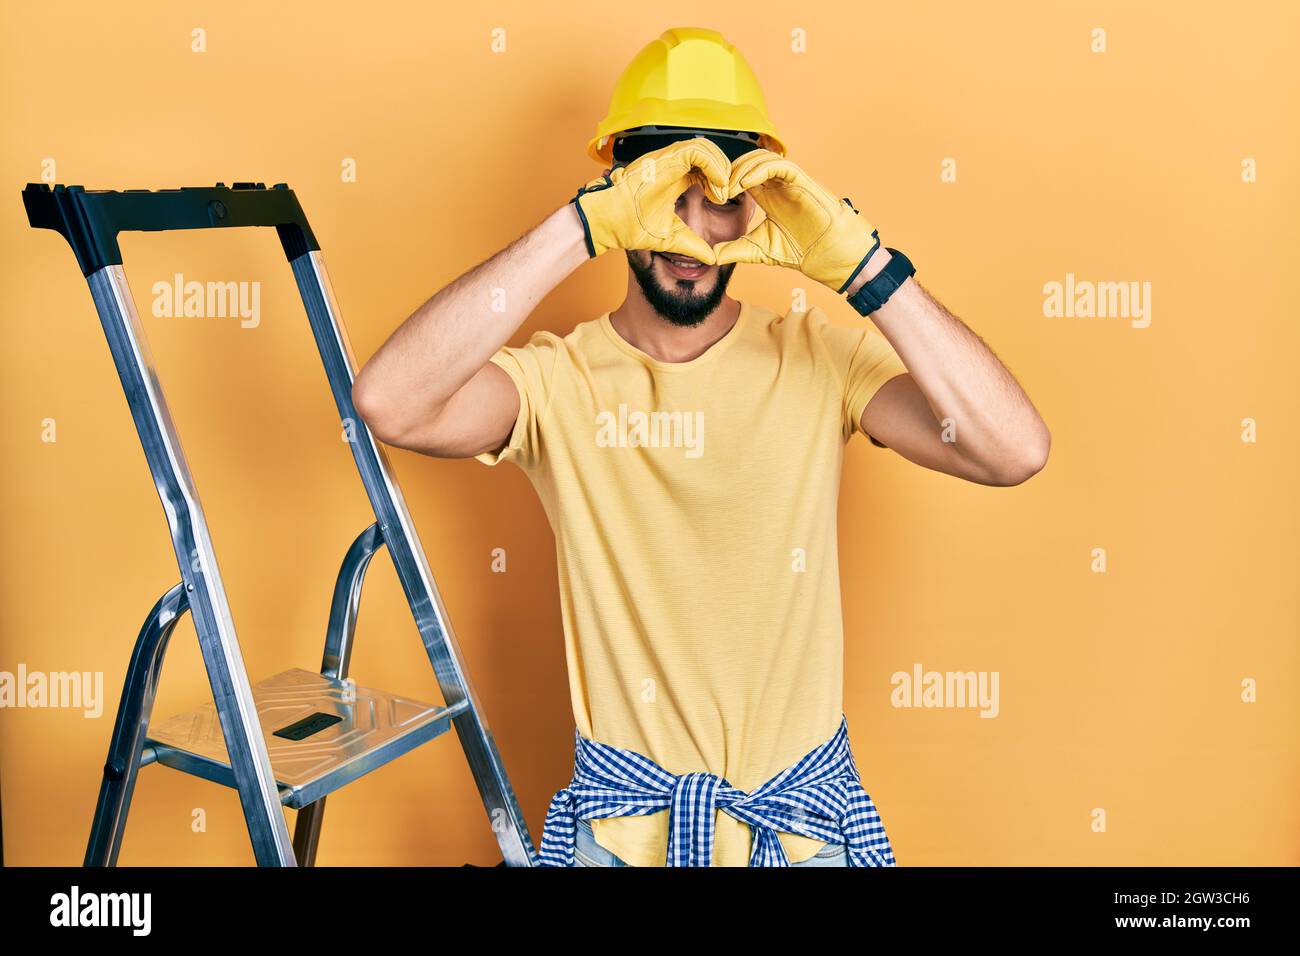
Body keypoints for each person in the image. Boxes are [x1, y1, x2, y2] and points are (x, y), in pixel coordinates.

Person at [352, 27, 1049, 867]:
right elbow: (389, 402)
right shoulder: (555, 384)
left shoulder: (820, 358)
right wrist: (580, 225)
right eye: (664, 196)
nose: (691, 235)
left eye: (716, 195)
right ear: (618, 193)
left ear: (756, 199)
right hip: (620, 840)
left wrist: (864, 268)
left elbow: (1013, 450)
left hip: (803, 837)